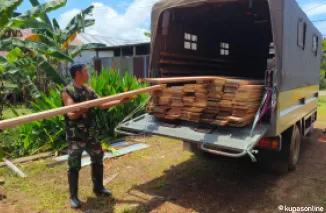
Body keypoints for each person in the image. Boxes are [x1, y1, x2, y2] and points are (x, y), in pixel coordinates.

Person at [61, 64, 133, 208]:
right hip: (76, 135)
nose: (88, 73)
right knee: (74, 164)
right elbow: (70, 114)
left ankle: (98, 188)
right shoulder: (67, 91)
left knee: (98, 157)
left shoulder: (88, 89)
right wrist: (81, 110)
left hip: (91, 133)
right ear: (77, 74)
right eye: (85, 71)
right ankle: (73, 197)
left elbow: (102, 104)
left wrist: (121, 101)